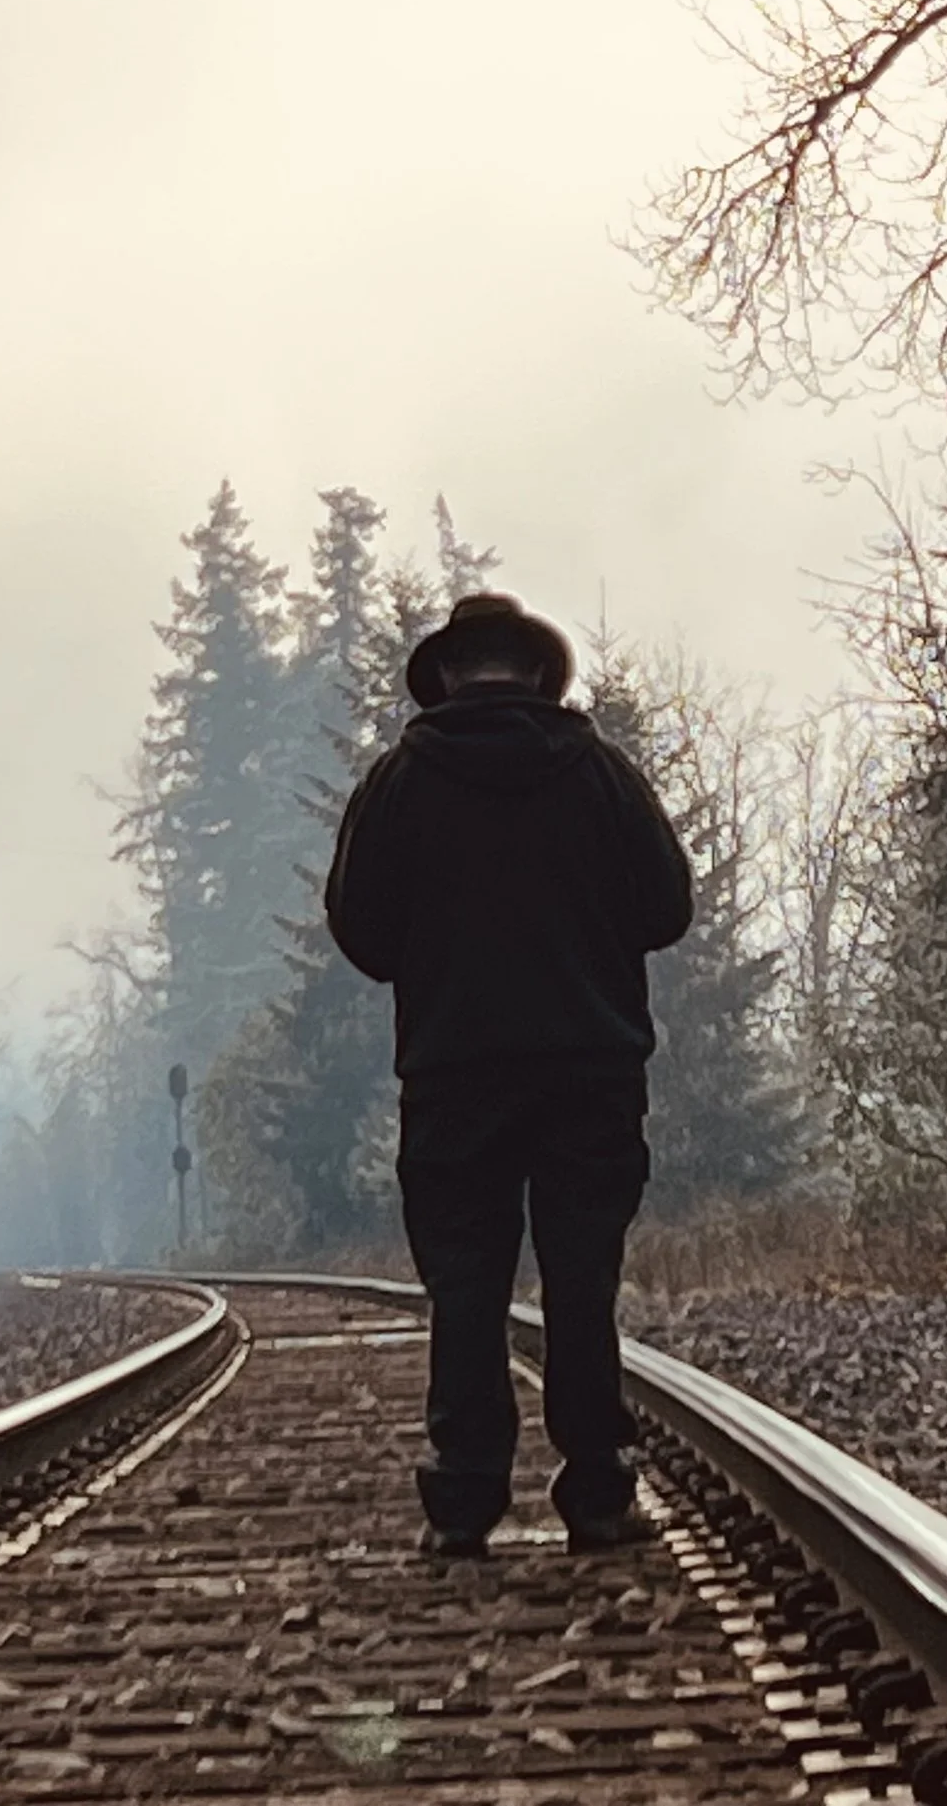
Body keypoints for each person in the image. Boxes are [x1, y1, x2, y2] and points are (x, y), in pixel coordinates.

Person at [324, 589, 693, 1558]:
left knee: (466, 1281)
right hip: (590, 1070)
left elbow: (360, 929)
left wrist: (443, 961)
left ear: (446, 676)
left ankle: (464, 1494)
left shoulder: (399, 783)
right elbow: (665, 909)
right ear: (537, 673)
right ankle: (598, 1489)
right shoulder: (601, 777)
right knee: (581, 1275)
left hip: (455, 1072)